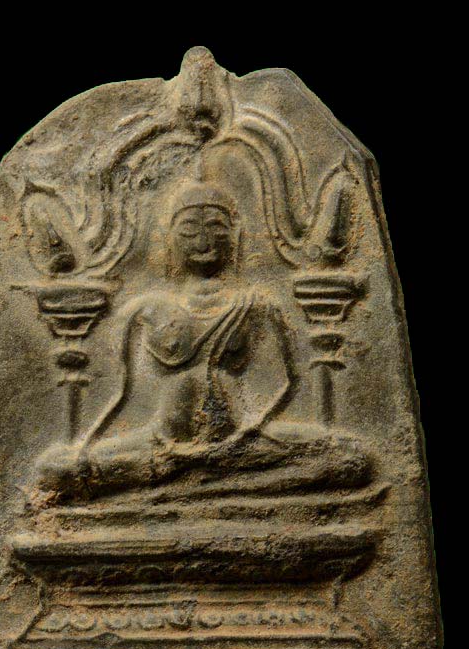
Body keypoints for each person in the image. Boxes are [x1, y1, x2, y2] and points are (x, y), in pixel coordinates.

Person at [36, 181, 371, 500]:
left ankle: (198, 478)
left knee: (349, 459)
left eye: (215, 227)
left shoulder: (256, 304)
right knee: (58, 471)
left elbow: (288, 382)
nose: (203, 239)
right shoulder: (146, 309)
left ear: (235, 235)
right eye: (189, 229)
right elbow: (121, 394)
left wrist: (254, 426)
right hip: (162, 442)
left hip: (240, 441)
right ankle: (217, 481)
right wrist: (85, 446)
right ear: (169, 238)